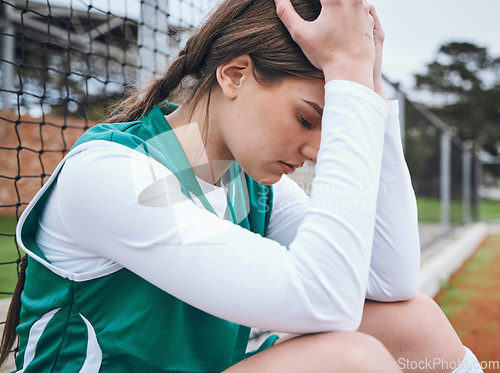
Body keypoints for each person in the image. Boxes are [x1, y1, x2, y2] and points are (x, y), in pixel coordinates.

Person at [0, 0, 484, 371]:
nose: (318, 150)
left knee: (410, 321)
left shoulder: (242, 182)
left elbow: (388, 281)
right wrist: (348, 75)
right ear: (234, 75)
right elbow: (322, 299)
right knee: (349, 359)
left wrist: (367, 88)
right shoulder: (110, 175)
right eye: (307, 118)